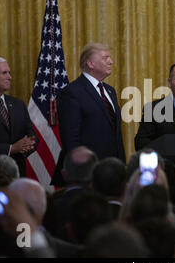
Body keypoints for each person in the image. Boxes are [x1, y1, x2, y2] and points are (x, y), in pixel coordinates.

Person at [53, 43, 125, 186]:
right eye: (105, 58)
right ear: (90, 63)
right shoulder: (72, 92)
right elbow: (70, 138)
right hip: (88, 174)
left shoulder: (110, 91)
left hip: (112, 171)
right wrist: (82, 172)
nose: (111, 62)